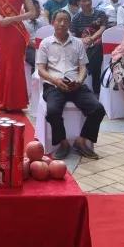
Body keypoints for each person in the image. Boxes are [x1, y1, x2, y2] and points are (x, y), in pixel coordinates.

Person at [37, 9, 106, 160]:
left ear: (69, 24)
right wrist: (55, 80)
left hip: (76, 85)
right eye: (59, 20)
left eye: (65, 21)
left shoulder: (78, 43)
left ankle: (81, 141)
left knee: (98, 109)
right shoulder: (45, 43)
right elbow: (41, 69)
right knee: (52, 111)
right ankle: (63, 143)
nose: (62, 24)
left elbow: (83, 67)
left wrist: (79, 81)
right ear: (53, 22)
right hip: (54, 85)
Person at [0, 0, 37, 112]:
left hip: (15, 31)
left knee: (14, 65)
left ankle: (15, 102)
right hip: (2, 30)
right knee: (4, 63)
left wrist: (11, 19)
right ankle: (4, 100)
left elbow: (32, 12)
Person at [69, 0, 108, 82]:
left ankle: (87, 69)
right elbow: (72, 36)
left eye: (89, 0)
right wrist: (83, 40)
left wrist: (92, 38)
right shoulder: (76, 18)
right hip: (83, 46)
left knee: (97, 48)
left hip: (99, 45)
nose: (87, 3)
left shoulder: (100, 14)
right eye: (84, 1)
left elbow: (103, 28)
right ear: (78, 3)